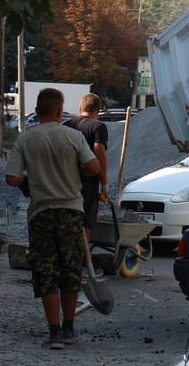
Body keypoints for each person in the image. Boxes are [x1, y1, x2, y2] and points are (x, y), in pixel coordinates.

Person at [5, 88, 100, 350]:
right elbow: (94, 168)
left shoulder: (26, 139)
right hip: (71, 212)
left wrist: (29, 179)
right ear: (60, 112)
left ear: (37, 111)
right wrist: (74, 170)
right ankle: (70, 329)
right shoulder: (73, 136)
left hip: (41, 214)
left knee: (46, 273)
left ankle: (54, 333)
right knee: (70, 271)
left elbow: (11, 178)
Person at [64, 93, 110, 272]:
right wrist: (104, 182)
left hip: (66, 180)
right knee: (86, 222)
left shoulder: (68, 125)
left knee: (68, 219)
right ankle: (83, 263)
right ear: (97, 110)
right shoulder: (99, 126)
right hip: (88, 183)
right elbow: (99, 152)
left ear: (80, 108)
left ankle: (67, 259)